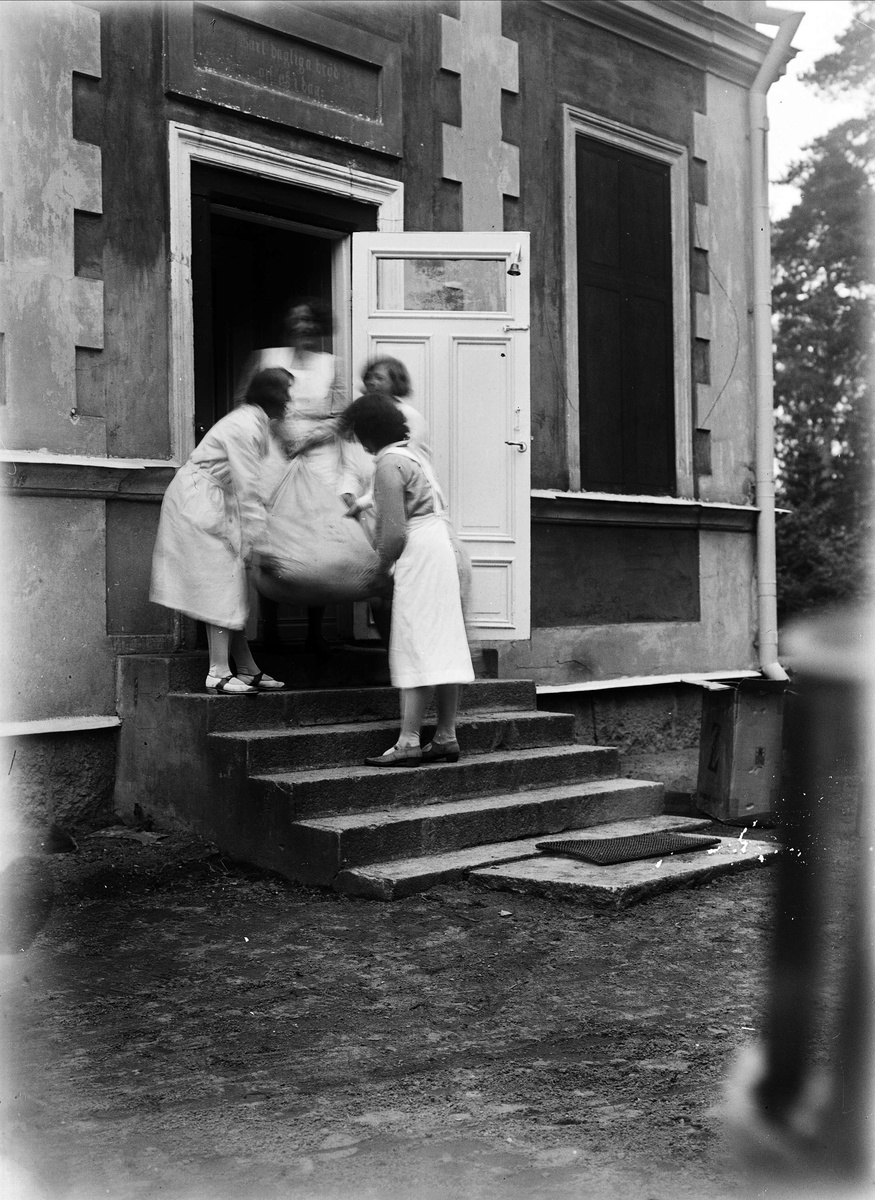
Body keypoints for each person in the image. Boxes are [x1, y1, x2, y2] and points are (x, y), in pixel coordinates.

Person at [344, 393, 474, 767]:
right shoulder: (413, 455)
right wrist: (366, 503)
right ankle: (446, 736)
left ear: (368, 434)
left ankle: (408, 741)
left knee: (414, 642)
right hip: (443, 547)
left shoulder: (386, 463)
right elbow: (408, 492)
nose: (359, 444)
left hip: (419, 551)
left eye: (358, 435)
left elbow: (395, 533)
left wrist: (380, 566)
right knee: (443, 644)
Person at [149, 368, 291, 694]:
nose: (289, 401)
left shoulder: (256, 423)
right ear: (271, 396)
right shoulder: (244, 427)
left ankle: (246, 668)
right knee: (221, 584)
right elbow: (248, 487)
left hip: (214, 499)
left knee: (232, 585)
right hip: (198, 500)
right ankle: (217, 672)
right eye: (285, 393)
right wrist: (260, 542)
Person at [245, 299, 344, 654]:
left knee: (316, 540)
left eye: (309, 322)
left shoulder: (332, 366)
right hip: (274, 451)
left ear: (319, 328)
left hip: (317, 457)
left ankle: (314, 630)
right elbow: (249, 403)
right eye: (296, 321)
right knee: (275, 535)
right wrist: (281, 433)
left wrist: (311, 438)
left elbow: (344, 416)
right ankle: (268, 626)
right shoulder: (268, 359)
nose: (303, 327)